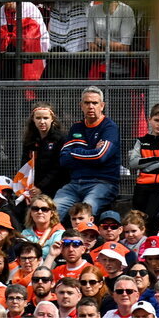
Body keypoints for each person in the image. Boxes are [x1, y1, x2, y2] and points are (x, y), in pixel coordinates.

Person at [54, 86, 121, 220]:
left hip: (102, 183)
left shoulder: (110, 127)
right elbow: (63, 159)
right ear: (81, 106)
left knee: (84, 213)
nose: (91, 106)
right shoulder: (76, 127)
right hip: (74, 184)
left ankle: (81, 241)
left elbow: (100, 156)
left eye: (95, 103)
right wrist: (90, 152)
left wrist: (75, 152)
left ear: (102, 106)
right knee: (52, 212)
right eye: (87, 103)